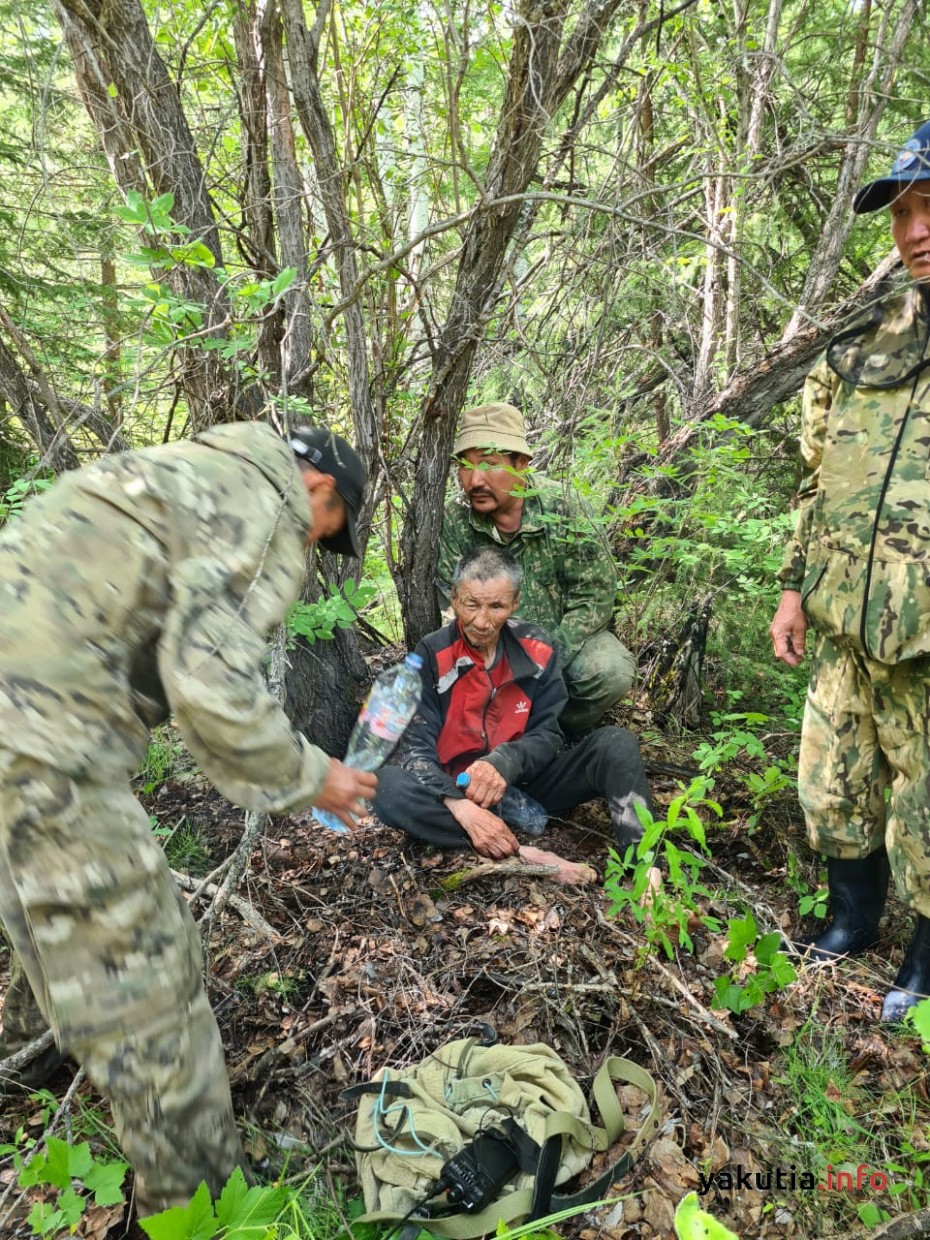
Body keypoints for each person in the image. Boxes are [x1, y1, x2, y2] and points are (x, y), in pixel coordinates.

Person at [0, 422, 376, 1213]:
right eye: (329, 531)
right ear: (320, 492)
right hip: (45, 736)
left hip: (15, 715)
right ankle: (204, 1211)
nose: (316, 545)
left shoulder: (185, 472)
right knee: (152, 991)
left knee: (44, 910)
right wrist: (313, 778)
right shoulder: (269, 505)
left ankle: (27, 1063)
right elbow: (210, 684)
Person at [769, 119, 930, 1022]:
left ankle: (925, 961)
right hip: (844, 622)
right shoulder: (866, 343)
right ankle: (852, 922)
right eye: (903, 211)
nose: (914, 229)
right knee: (831, 783)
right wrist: (794, 589)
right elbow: (814, 476)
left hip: (926, 638)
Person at [375, 546, 651, 874]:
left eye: (496, 607)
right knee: (384, 786)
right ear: (454, 597)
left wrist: (503, 763)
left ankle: (646, 867)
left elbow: (548, 733)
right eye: (471, 604)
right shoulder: (431, 654)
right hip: (455, 789)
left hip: (528, 786)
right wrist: (462, 806)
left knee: (615, 744)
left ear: (515, 603)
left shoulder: (538, 647)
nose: (481, 621)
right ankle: (523, 852)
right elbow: (416, 748)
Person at [437, 402, 634, 734]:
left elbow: (594, 597)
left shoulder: (566, 510)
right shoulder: (454, 521)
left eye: (489, 463)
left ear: (522, 464)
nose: (475, 479)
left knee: (610, 671)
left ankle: (556, 733)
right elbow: (454, 604)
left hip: (562, 645)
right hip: (487, 650)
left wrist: (546, 657)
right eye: (465, 466)